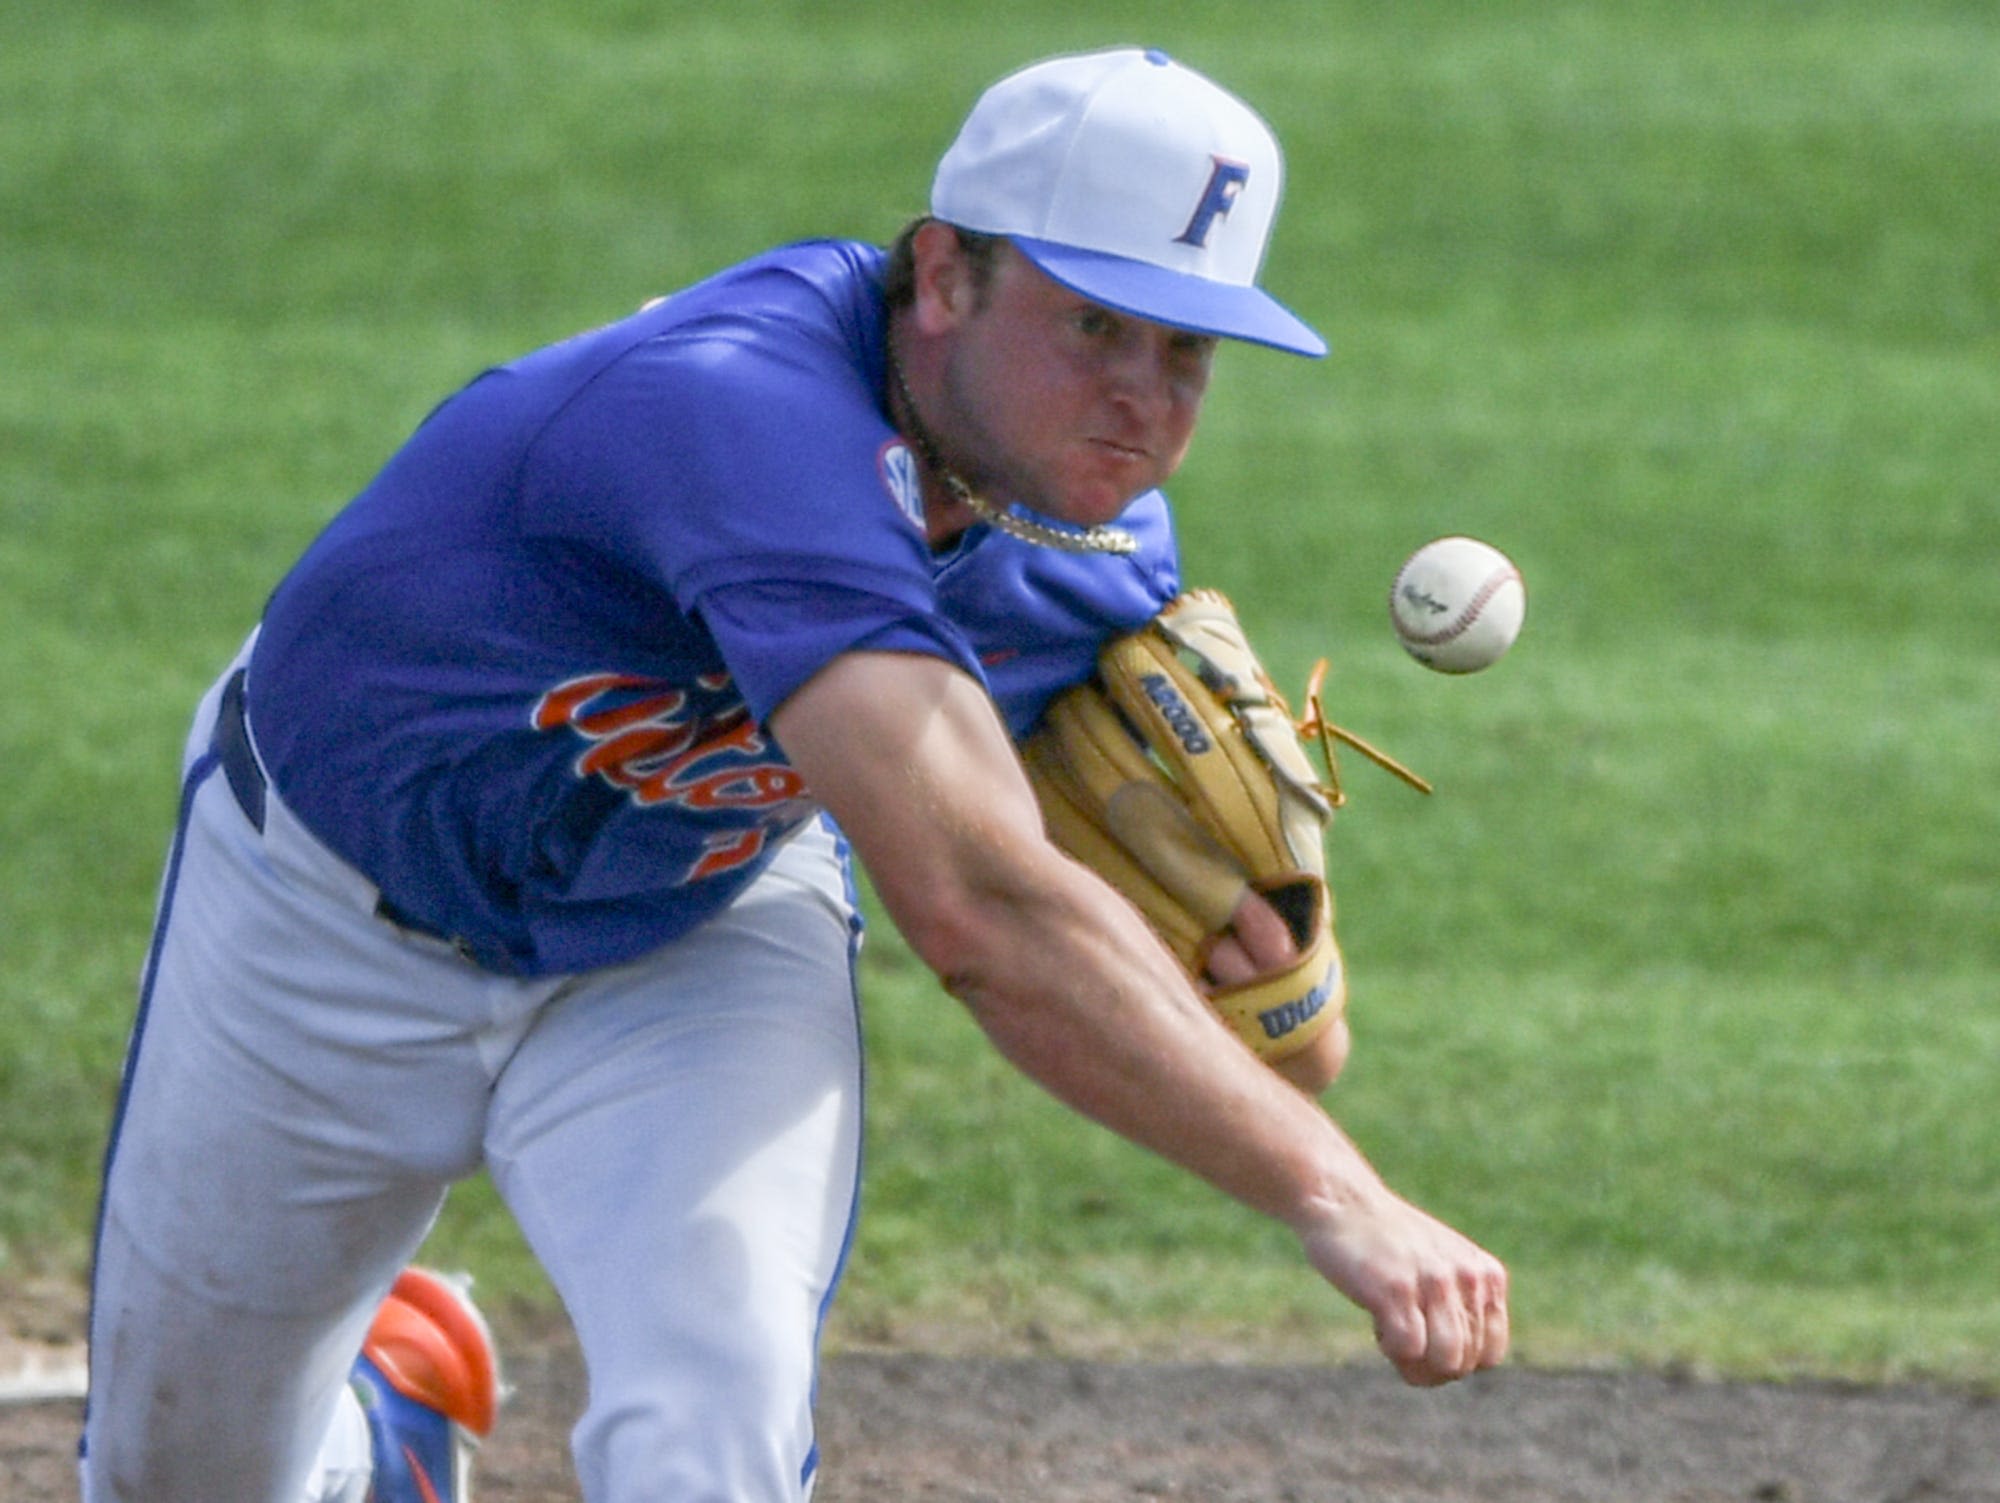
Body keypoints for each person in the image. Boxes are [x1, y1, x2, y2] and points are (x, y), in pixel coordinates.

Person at [81, 45, 1509, 1503]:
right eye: (1096, 324)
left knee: (712, 1425)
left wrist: (1277, 966)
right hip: (320, 909)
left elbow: (1272, 1035)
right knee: (178, 1483)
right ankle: (379, 1437)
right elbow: (984, 921)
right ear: (945, 275)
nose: (1144, 402)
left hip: (693, 938)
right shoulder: (739, 413)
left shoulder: (1092, 558)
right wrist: (1340, 1196)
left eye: (1188, 351)